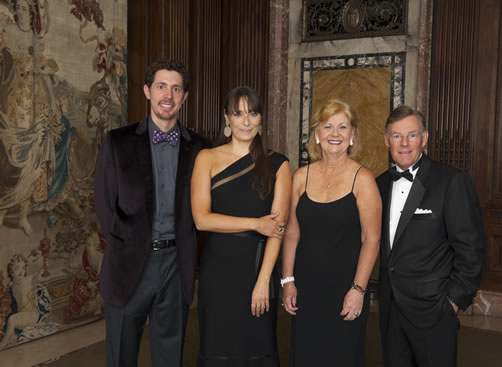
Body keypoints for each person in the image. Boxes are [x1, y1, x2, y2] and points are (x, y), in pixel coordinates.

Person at [94, 59, 210, 367]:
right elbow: (105, 205)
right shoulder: (118, 142)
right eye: (161, 87)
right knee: (121, 356)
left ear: (185, 96)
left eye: (176, 88)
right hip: (130, 264)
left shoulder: (201, 148)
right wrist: (126, 243)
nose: (167, 96)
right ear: (147, 91)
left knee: (169, 358)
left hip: (176, 266)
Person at [376, 105, 485, 367]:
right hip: (390, 308)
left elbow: (471, 247)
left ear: (424, 139)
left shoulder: (451, 181)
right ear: (386, 140)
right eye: (396, 136)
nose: (404, 143)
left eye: (412, 135)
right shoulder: (378, 184)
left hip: (434, 308)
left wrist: (453, 302)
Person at [191, 86, 291, 366]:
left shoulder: (278, 164)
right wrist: (255, 224)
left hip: (259, 267)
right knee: (219, 347)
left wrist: (263, 281)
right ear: (226, 118)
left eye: (253, 113)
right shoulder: (206, 158)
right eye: (238, 114)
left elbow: (278, 229)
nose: (246, 121)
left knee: (257, 348)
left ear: (261, 118)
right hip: (218, 271)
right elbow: (202, 219)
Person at [281, 99, 381, 366]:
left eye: (342, 127)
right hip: (306, 289)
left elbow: (371, 240)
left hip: (345, 289)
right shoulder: (300, 176)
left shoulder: (364, 179)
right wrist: (287, 280)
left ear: (352, 136)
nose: (334, 134)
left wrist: (358, 289)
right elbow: (291, 233)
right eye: (327, 126)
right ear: (316, 134)